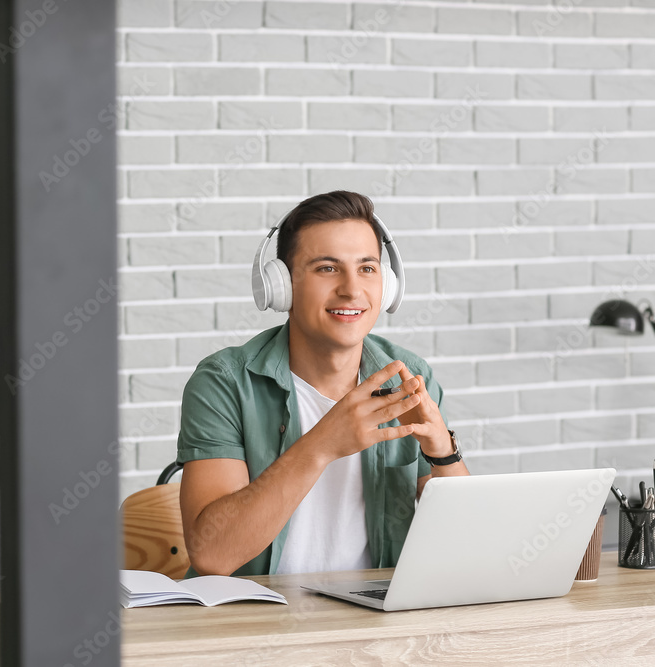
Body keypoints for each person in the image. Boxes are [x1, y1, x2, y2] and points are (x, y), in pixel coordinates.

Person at [176, 190, 470, 577]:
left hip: (374, 623)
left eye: (367, 268)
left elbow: (466, 550)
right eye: (327, 268)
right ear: (281, 286)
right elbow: (213, 555)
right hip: (252, 625)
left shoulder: (409, 374)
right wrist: (322, 444)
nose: (352, 289)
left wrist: (443, 454)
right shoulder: (225, 382)